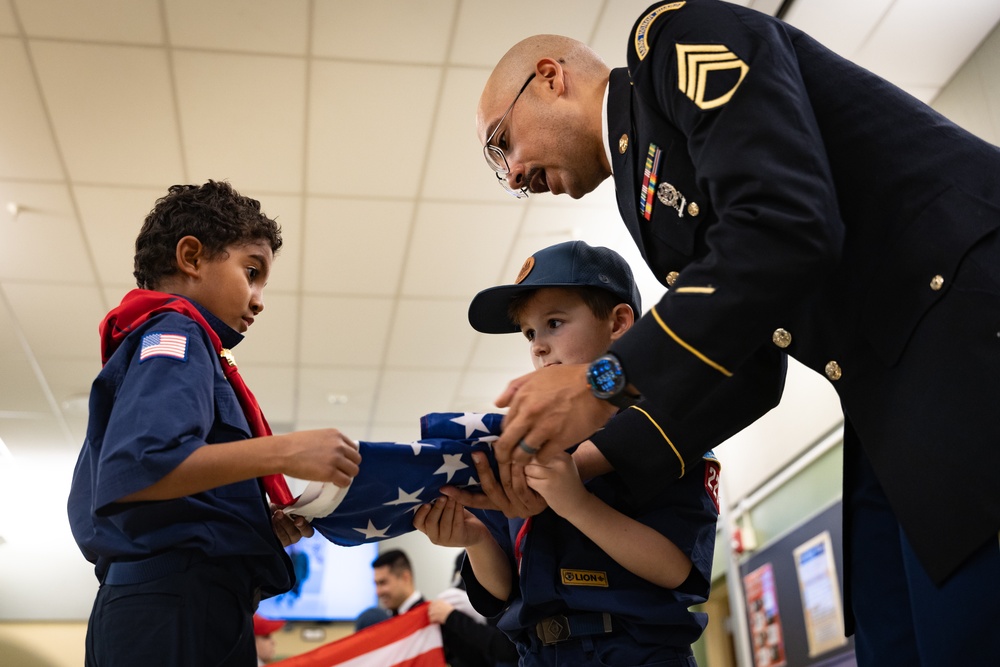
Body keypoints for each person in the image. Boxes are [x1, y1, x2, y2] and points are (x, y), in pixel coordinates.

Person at [467, 2, 1000, 664]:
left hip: (962, 320)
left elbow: (785, 223)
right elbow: (750, 365)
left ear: (551, 77)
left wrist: (603, 381)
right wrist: (582, 460)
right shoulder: (645, 195)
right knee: (894, 633)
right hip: (886, 378)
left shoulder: (672, 42)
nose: (512, 173)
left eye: (503, 142)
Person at [67, 180, 362, 667]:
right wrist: (286, 451)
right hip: (174, 605)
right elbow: (145, 465)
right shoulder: (175, 331)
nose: (259, 299)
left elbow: (166, 484)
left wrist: (248, 523)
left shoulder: (172, 339)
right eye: (252, 271)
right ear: (191, 257)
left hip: (173, 603)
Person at [416, 240, 721, 666]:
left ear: (618, 323)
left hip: (637, 652)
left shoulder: (664, 430)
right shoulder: (524, 442)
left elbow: (678, 570)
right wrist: (474, 538)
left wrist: (577, 504)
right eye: (529, 334)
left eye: (554, 322)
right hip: (535, 655)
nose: (538, 346)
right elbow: (499, 589)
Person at [366, 549, 518, 667]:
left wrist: (457, 618)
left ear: (405, 577)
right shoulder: (384, 620)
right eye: (376, 584)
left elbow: (500, 653)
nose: (378, 592)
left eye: (383, 583)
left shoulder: (438, 619)